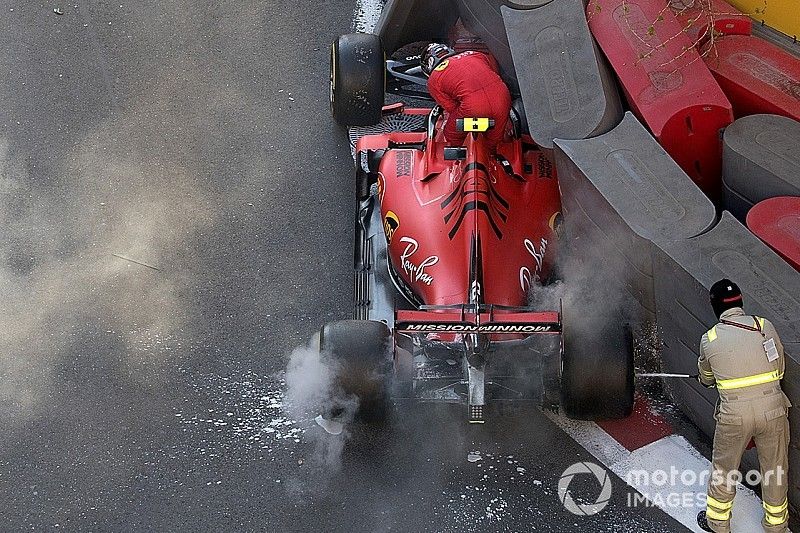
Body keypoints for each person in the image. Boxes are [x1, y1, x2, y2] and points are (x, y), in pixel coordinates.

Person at [696, 279, 790, 533]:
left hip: (734, 415)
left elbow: (706, 378)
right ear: (740, 302)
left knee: (724, 469)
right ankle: (776, 525)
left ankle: (718, 523)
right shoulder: (763, 326)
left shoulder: (710, 338)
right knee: (775, 468)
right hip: (773, 407)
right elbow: (779, 368)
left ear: (716, 307)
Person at [421, 43, 512, 149]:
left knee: (451, 134)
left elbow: (451, 108)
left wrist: (477, 123)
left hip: (474, 107)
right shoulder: (476, 54)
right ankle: (493, 154)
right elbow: (493, 71)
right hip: (503, 97)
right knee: (494, 141)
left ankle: (460, 158)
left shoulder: (434, 79)